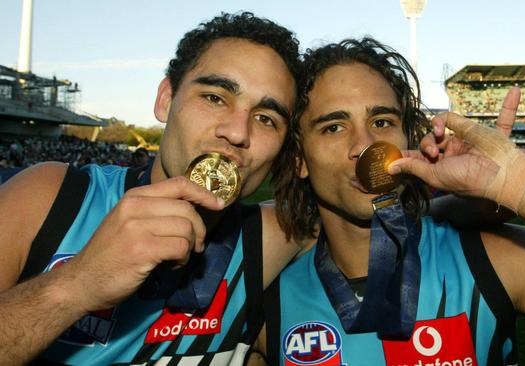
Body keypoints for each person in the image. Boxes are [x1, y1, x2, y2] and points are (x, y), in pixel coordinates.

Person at [256, 38, 525, 365]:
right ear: (298, 161)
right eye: (334, 126)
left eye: (382, 122)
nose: (365, 147)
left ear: (406, 138)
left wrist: (520, 185)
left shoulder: (488, 259)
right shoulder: (263, 307)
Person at [0, 12, 303, 365]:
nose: (237, 132)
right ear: (165, 99)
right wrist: (77, 285)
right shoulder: (52, 197)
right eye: (214, 97)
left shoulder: (270, 239)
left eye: (266, 118)